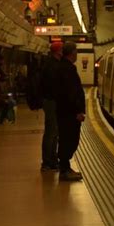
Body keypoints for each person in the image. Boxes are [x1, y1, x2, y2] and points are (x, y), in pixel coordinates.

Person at [55, 41, 85, 181]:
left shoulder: (62, 67)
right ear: (72, 53)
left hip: (64, 111)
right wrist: (77, 111)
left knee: (67, 139)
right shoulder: (68, 69)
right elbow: (71, 93)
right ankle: (64, 170)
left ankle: (65, 168)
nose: (77, 54)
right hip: (69, 113)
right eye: (76, 52)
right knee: (69, 140)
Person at [40, 40, 63, 171]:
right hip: (51, 102)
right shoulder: (52, 66)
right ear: (58, 51)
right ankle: (47, 162)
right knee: (51, 132)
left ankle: (52, 160)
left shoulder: (50, 64)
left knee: (54, 132)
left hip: (51, 101)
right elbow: (54, 87)